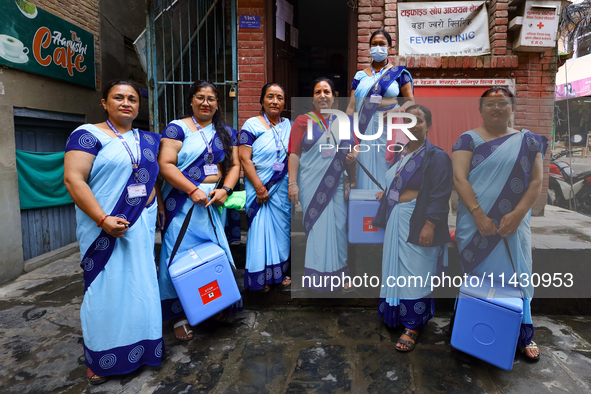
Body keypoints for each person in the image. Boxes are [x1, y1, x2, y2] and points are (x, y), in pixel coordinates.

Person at [64, 80, 164, 384]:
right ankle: (101, 356)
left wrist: (156, 208)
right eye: (118, 97)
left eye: (132, 99)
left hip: (139, 227)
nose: (126, 103)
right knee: (105, 290)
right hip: (103, 230)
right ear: (105, 103)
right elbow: (74, 180)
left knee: (140, 285)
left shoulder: (146, 139)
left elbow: (149, 179)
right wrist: (102, 218)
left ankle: (143, 349)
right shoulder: (87, 136)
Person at [452, 87, 547, 361]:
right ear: (480, 110)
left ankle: (522, 334)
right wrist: (479, 215)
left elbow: (536, 183)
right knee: (477, 278)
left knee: (518, 276)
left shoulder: (529, 142)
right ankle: (472, 328)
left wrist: (517, 213)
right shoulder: (467, 139)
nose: (496, 108)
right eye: (490, 104)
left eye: (502, 103)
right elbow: (460, 180)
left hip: (514, 226)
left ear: (512, 107)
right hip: (475, 225)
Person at [157, 80, 241, 341]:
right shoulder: (177, 128)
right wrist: (191, 190)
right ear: (191, 100)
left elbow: (235, 166)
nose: (206, 103)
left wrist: (225, 189)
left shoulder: (226, 132)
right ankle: (179, 315)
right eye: (200, 97)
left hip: (213, 203)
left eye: (211, 99)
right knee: (177, 257)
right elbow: (165, 164)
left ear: (218, 103)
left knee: (212, 254)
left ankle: (212, 305)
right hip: (181, 204)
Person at [373, 105, 452, 351]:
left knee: (416, 272)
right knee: (397, 272)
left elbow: (440, 194)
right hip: (397, 220)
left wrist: (429, 225)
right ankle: (397, 313)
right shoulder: (402, 152)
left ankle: (413, 325)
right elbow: (400, 182)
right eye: (409, 120)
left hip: (418, 221)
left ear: (429, 126)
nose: (413, 124)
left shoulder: (436, 156)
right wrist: (386, 193)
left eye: (419, 120)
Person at [289, 77, 358, 291]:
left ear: (334, 97)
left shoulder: (343, 122)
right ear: (313, 97)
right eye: (318, 92)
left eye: (326, 92)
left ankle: (341, 273)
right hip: (310, 182)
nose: (322, 96)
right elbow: (294, 153)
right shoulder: (302, 121)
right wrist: (293, 183)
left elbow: (355, 147)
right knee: (317, 227)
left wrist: (353, 156)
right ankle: (316, 276)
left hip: (336, 182)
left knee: (338, 227)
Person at [346, 29, 415, 190]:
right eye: (374, 44)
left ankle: (386, 206)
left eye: (382, 44)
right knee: (364, 166)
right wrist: (347, 132)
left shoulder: (399, 73)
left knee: (388, 164)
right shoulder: (359, 76)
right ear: (369, 48)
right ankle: (366, 211)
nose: (378, 47)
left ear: (389, 47)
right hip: (364, 127)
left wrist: (397, 111)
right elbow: (351, 106)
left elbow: (410, 101)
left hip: (389, 127)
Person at [239, 83, 292, 291]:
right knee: (260, 229)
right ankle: (260, 277)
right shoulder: (252, 125)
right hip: (258, 185)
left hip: (281, 186)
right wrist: (260, 188)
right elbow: (245, 159)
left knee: (281, 230)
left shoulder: (290, 125)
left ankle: (279, 274)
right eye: (270, 97)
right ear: (262, 100)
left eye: (279, 97)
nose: (275, 101)